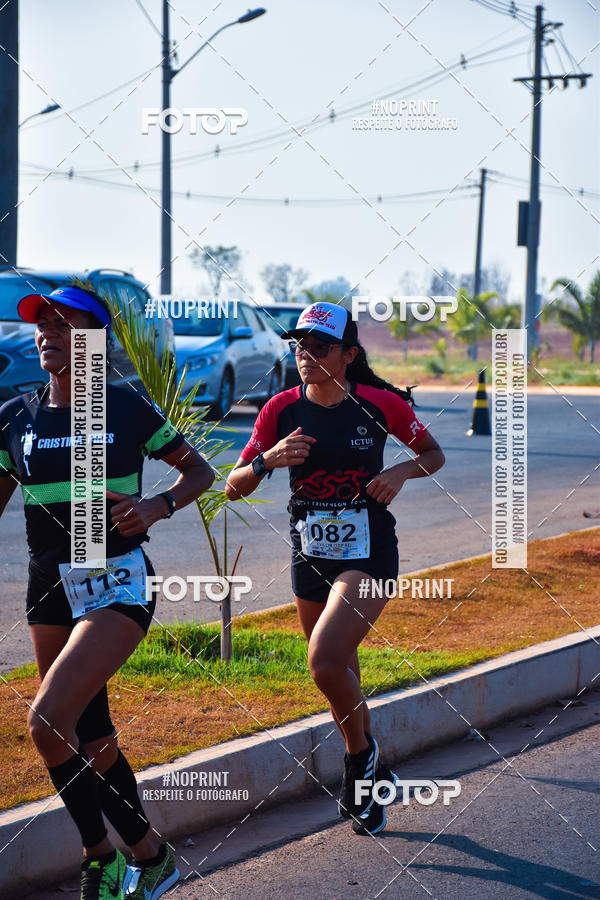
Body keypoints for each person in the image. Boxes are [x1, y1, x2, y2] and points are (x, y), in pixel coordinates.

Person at [0, 285, 214, 899]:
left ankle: (100, 857)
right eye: (42, 326)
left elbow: (198, 470)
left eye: (64, 326)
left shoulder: (124, 408)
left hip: (115, 579)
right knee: (88, 740)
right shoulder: (16, 417)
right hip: (50, 586)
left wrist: (158, 505)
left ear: (95, 340)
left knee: (45, 722)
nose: (47, 335)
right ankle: (152, 856)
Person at [225, 301, 445, 836]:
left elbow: (432, 453)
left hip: (368, 550)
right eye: (298, 345)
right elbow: (233, 485)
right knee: (341, 667)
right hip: (309, 551)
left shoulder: (381, 405)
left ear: (348, 354)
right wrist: (265, 460)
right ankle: (373, 777)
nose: (305, 355)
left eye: (318, 346)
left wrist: (399, 472)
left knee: (324, 662)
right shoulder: (279, 409)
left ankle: (358, 761)